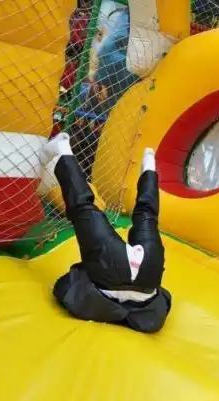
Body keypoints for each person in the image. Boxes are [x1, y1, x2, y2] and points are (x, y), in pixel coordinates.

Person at [39, 132, 172, 333]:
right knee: (84, 207)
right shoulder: (100, 304)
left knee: (147, 216)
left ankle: (149, 170)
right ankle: (62, 150)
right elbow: (68, 288)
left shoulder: (148, 312)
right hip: (118, 270)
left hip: (148, 272)